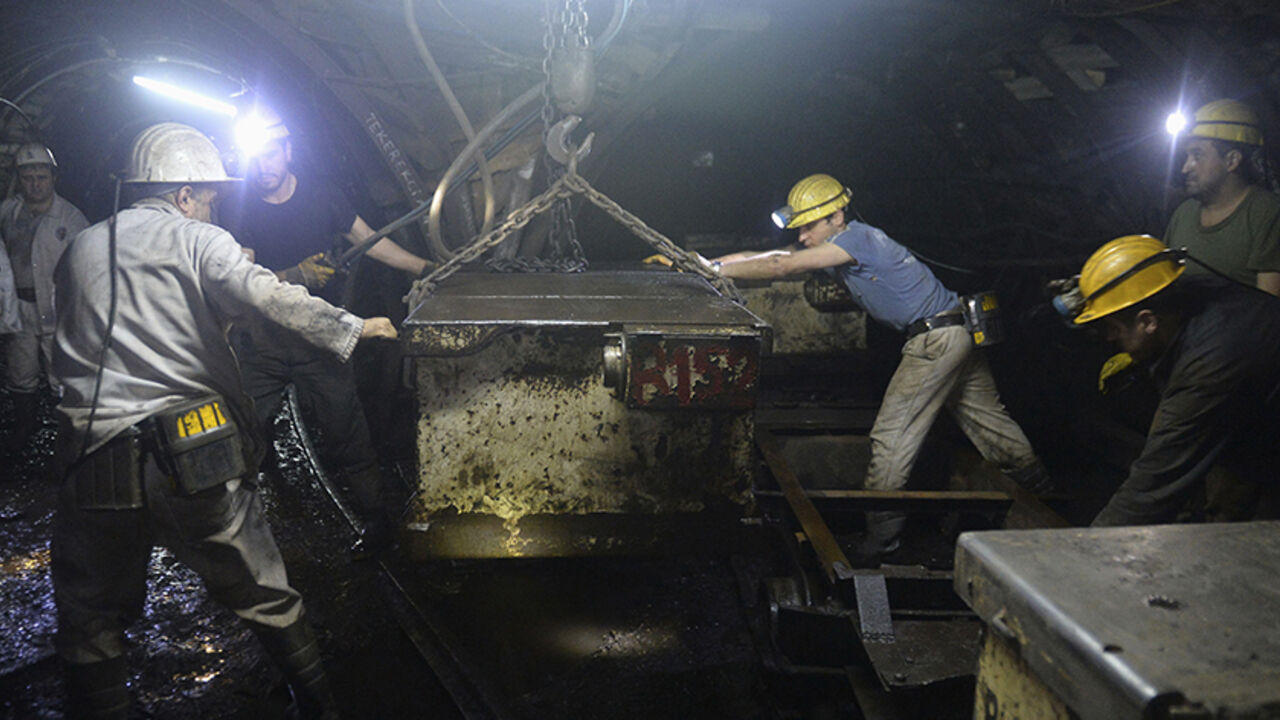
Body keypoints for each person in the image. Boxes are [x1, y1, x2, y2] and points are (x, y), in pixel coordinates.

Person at [50, 122, 399, 719]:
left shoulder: (82, 247)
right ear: (185, 195)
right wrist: (354, 327)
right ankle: (318, 707)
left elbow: (67, 344)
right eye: (209, 198)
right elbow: (267, 296)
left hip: (94, 452)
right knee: (262, 589)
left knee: (88, 615)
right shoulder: (198, 239)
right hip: (191, 446)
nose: (212, 209)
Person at [711, 173, 1049, 560]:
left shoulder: (857, 239)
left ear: (837, 216)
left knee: (891, 438)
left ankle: (881, 542)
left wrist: (716, 272)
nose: (803, 236)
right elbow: (771, 257)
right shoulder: (839, 243)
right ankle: (1043, 497)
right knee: (991, 424)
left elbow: (780, 267)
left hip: (935, 341)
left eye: (809, 225)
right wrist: (703, 263)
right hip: (956, 332)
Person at [221, 108, 429, 556]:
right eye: (255, 157)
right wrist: (295, 274)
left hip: (321, 338)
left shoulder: (322, 195)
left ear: (287, 151)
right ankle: (236, 524)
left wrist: (424, 267)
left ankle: (377, 520)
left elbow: (370, 241)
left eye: (271, 153)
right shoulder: (241, 205)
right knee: (243, 425)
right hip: (263, 343)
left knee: (346, 430)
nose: (263, 166)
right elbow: (240, 277)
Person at [1069, 234, 1280, 526]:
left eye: (1112, 327)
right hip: (1253, 407)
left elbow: (1150, 489)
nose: (1108, 338)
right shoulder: (1177, 298)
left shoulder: (1210, 365)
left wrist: (1086, 547)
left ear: (1147, 322)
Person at [0, 143, 88, 455]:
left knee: (60, 375)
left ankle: (66, 438)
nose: (35, 184)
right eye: (28, 178)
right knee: (20, 373)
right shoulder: (8, 213)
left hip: (57, 308)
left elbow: (87, 265)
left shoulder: (71, 218)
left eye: (41, 177)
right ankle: (25, 428)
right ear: (19, 179)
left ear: (53, 178)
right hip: (20, 307)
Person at [1165, 99, 1280, 295]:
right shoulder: (1184, 213)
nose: (1185, 168)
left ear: (1231, 160)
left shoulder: (1268, 215)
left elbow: (1270, 307)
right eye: (1187, 156)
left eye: (1197, 155)